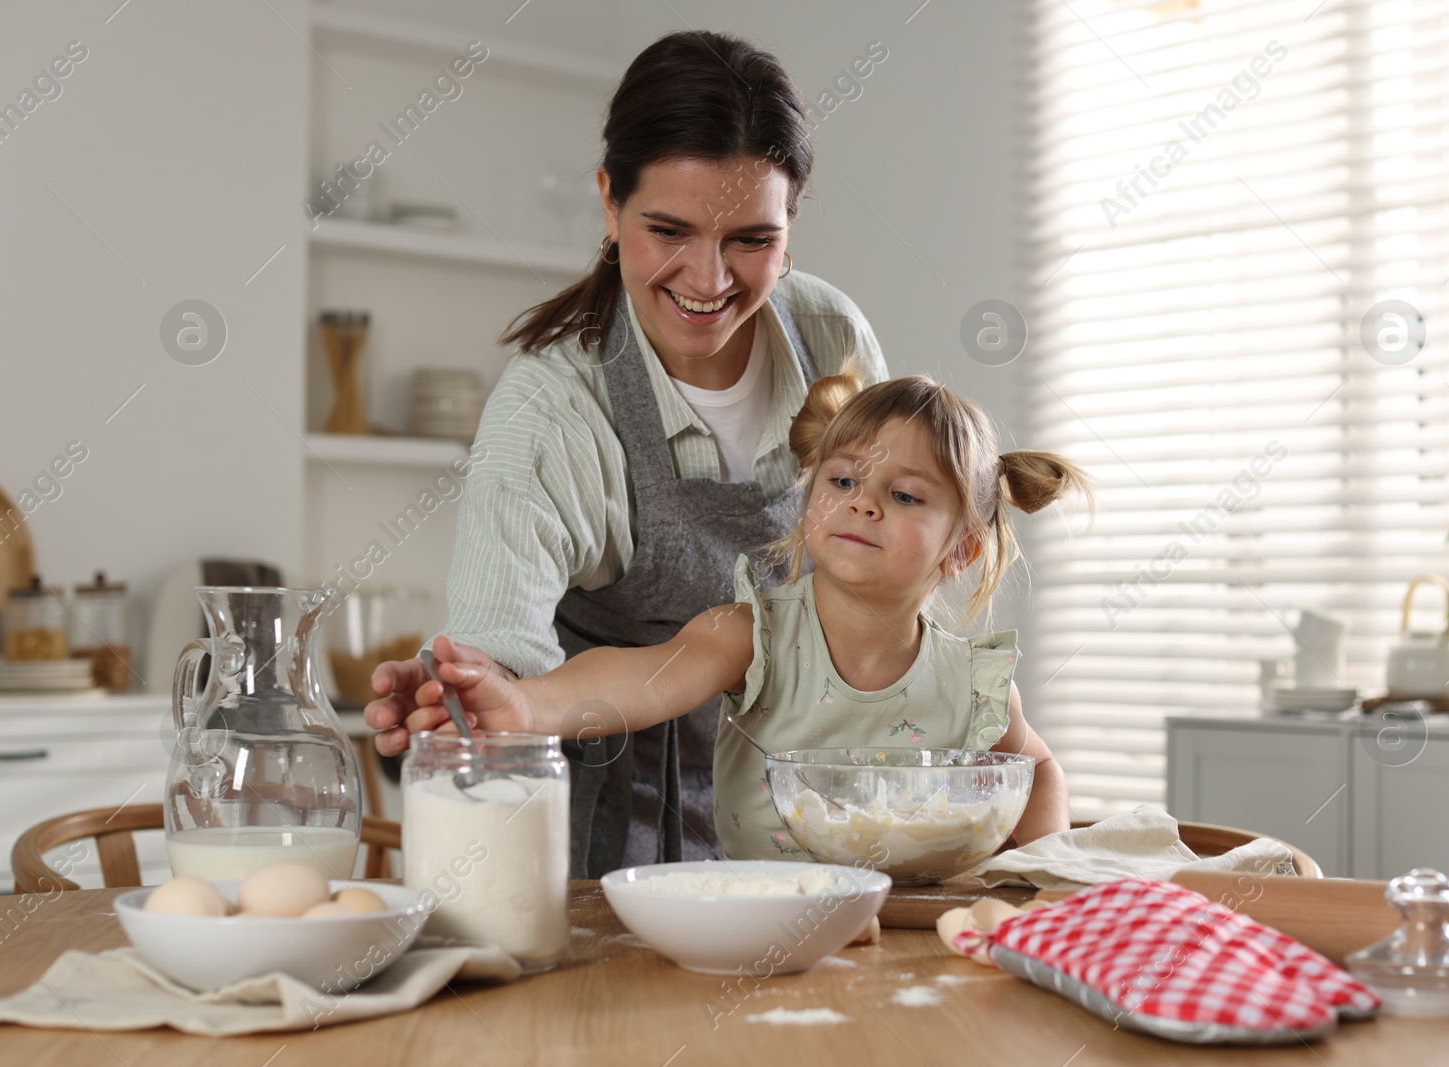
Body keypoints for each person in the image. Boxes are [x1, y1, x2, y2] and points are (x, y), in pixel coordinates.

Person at [363, 31, 888, 878]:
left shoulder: (832, 337)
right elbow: (501, 655)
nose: (710, 279)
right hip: (600, 846)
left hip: (798, 826)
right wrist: (452, 703)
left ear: (793, 224)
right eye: (669, 230)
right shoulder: (551, 409)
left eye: (752, 239)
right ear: (609, 203)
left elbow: (884, 570)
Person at [401, 371, 1092, 857]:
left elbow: (1041, 772)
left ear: (961, 549)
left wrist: (1035, 877)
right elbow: (639, 679)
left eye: (905, 495)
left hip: (914, 942)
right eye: (843, 480)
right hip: (767, 936)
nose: (863, 503)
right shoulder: (753, 634)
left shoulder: (973, 681)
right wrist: (522, 706)